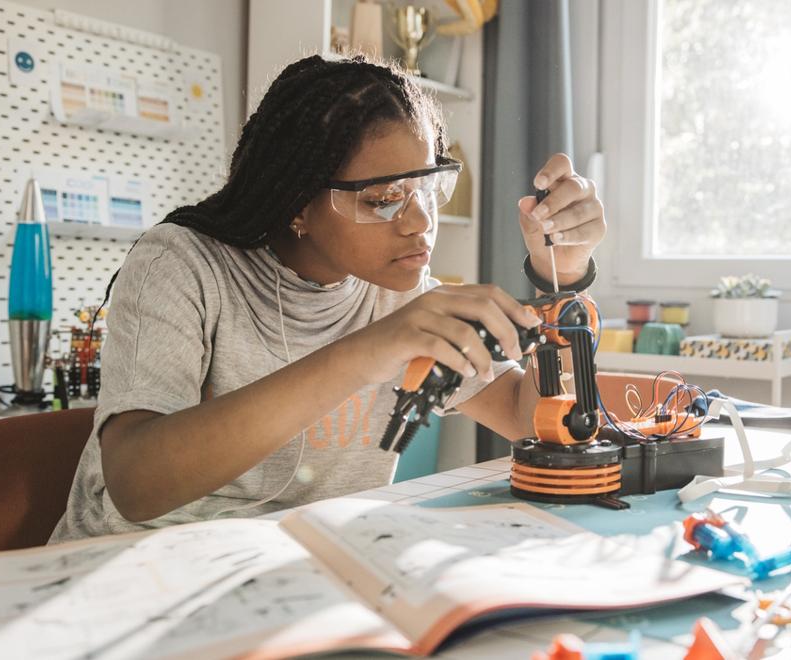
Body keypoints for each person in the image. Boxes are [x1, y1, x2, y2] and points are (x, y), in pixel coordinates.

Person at [50, 56, 605, 542]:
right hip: (125, 573)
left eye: (428, 188)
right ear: (296, 203)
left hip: (295, 577)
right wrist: (369, 350)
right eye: (384, 199)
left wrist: (565, 276)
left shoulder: (398, 296)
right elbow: (136, 486)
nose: (420, 223)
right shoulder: (181, 265)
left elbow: (528, 418)